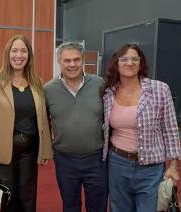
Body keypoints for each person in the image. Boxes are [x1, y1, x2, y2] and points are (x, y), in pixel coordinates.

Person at [101, 43, 181, 212]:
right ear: (116, 63)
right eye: (124, 59)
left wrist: (173, 165)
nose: (129, 63)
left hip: (151, 166)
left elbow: (171, 130)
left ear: (141, 63)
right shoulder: (109, 92)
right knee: (119, 208)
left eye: (134, 59)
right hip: (117, 163)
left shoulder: (159, 89)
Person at [0, 34, 52, 212]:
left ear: (29, 55)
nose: (18, 55)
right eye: (14, 51)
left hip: (29, 149)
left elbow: (42, 120)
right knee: (7, 195)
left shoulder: (37, 82)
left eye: (23, 51)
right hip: (3, 149)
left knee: (28, 196)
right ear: (8, 54)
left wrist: (45, 150)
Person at [44, 41, 108, 212]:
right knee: (70, 206)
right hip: (65, 160)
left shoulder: (99, 84)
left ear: (83, 60)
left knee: (98, 206)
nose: (72, 64)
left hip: (97, 160)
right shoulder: (49, 89)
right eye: (67, 60)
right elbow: (43, 122)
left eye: (76, 60)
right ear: (59, 62)